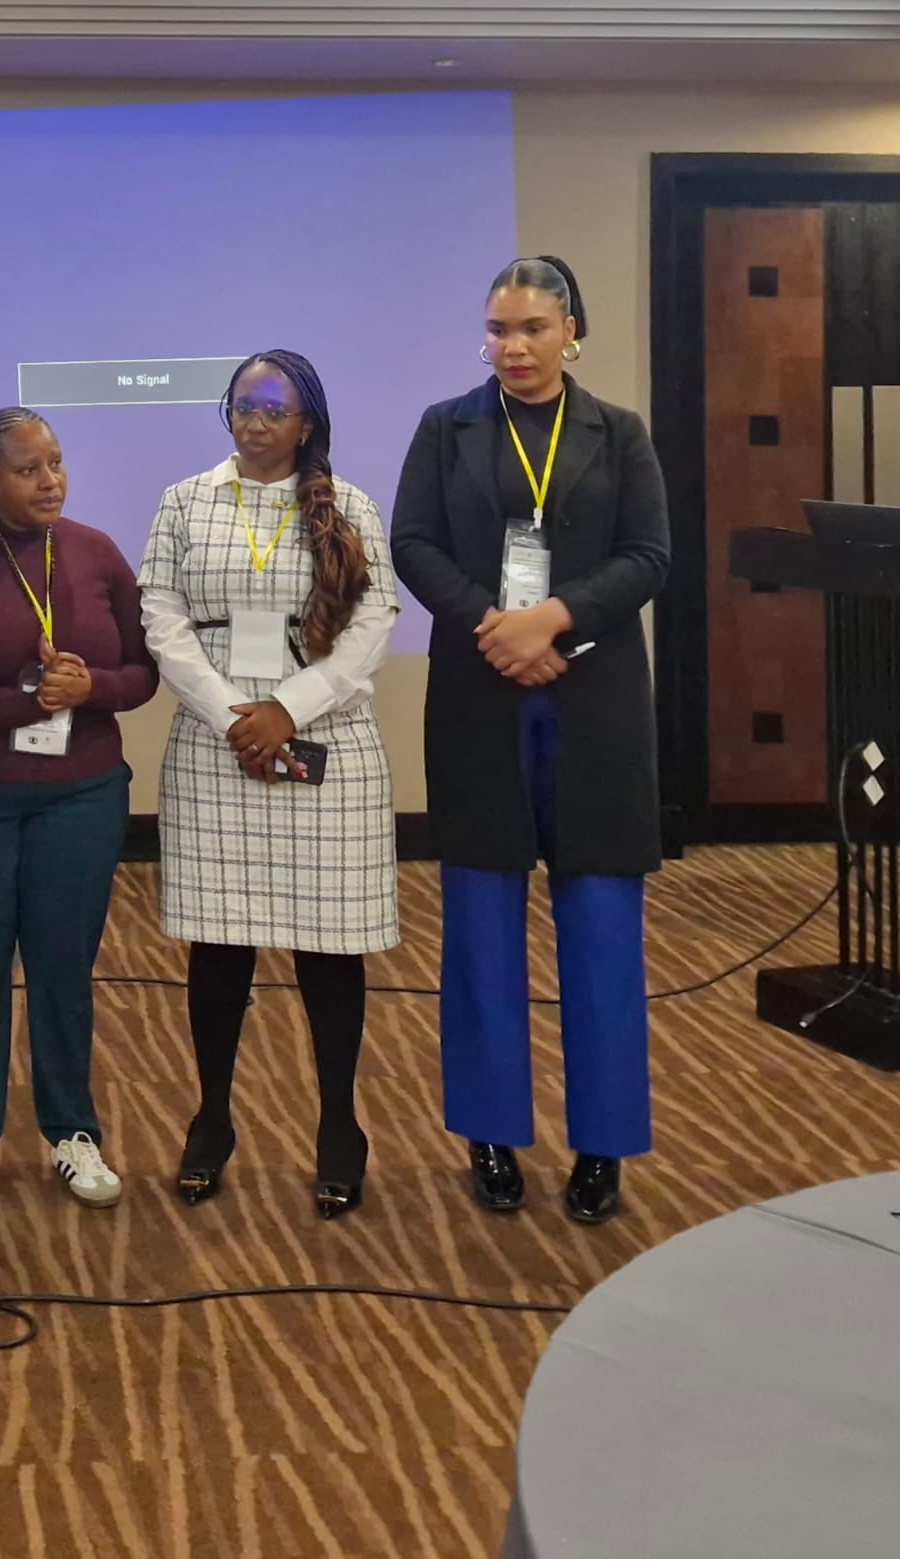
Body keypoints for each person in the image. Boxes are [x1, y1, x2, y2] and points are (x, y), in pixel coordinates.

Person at [391, 258, 669, 1225]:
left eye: (533, 328)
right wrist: (495, 628)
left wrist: (552, 621)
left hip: (593, 702)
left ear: (571, 333)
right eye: (499, 329)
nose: (512, 346)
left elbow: (648, 555)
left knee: (601, 929)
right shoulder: (447, 427)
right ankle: (491, 1134)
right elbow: (414, 544)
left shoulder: (619, 433)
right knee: (479, 925)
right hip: (481, 695)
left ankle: (602, 1145)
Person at [138, 350, 400, 1219]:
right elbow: (161, 617)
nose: (254, 422)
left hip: (325, 741)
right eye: (242, 406)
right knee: (219, 946)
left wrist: (288, 709)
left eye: (273, 409)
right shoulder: (185, 501)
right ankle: (212, 1118)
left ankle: (340, 1126)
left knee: (330, 949)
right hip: (217, 746)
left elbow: (373, 623)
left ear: (306, 422)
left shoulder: (351, 505)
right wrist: (232, 717)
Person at [0, 409, 157, 1213]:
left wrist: (91, 687)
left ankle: (72, 1133)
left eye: (56, 463)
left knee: (62, 969)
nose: (50, 481)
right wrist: (19, 704)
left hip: (80, 795)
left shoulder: (96, 551)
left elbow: (142, 671)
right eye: (27, 469)